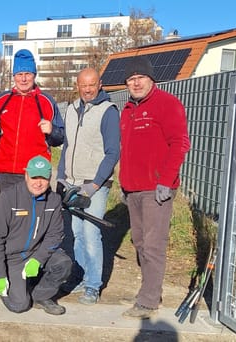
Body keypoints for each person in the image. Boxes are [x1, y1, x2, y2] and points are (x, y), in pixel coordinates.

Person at [119, 56, 190, 319]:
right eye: (131, 79)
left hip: (156, 189)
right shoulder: (127, 110)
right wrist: (124, 184)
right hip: (133, 188)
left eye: (141, 78)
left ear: (152, 79)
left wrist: (166, 180)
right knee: (139, 242)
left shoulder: (167, 104)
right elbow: (128, 151)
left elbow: (180, 143)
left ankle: (148, 301)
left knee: (153, 244)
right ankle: (150, 290)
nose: (136, 83)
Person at [56, 68, 120, 305]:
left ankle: (93, 285)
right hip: (72, 182)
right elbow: (66, 147)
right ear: (77, 85)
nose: (88, 89)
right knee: (78, 234)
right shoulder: (71, 109)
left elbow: (113, 152)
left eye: (92, 84)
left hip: (94, 184)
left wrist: (95, 184)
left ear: (100, 84)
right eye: (84, 85)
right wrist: (61, 178)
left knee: (92, 235)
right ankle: (82, 277)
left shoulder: (108, 112)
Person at [0, 155, 72, 315]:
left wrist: (38, 259)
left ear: (49, 178)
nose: (38, 183)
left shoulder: (54, 200)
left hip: (36, 253)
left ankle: (41, 295)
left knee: (63, 263)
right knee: (20, 305)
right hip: (13, 258)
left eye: (43, 178)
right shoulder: (9, 197)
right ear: (26, 175)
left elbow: (55, 234)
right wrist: (0, 274)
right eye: (34, 177)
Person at [0, 49, 64, 193]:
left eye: (27, 74)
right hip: (7, 174)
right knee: (9, 215)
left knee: (34, 215)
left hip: (37, 172)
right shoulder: (0, 102)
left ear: (34, 75)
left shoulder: (46, 102)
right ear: (14, 76)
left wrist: (52, 130)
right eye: (19, 74)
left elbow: (60, 137)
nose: (23, 79)